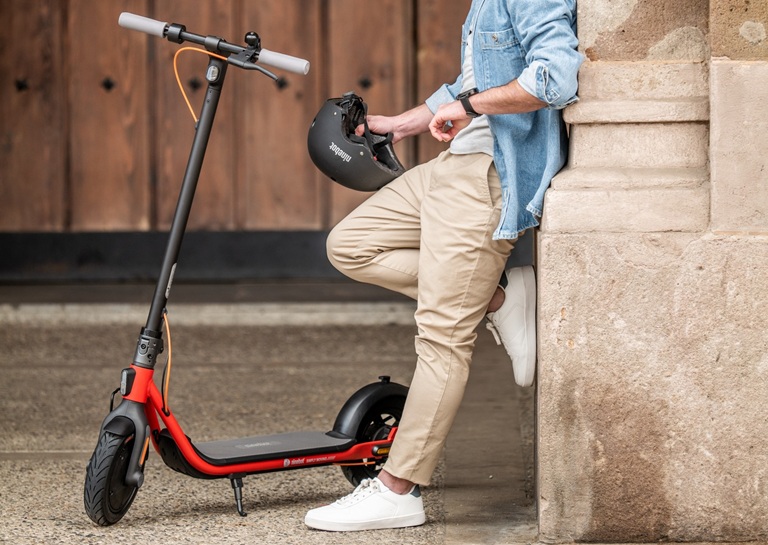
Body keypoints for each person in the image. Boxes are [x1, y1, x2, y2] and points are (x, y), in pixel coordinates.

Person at [305, 0, 582, 532]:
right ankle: (497, 296)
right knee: (350, 245)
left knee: (442, 335)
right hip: (450, 166)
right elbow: (477, 77)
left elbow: (556, 75)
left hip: (485, 177)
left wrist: (474, 107)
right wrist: (403, 124)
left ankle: (397, 489)